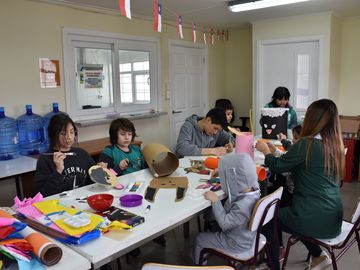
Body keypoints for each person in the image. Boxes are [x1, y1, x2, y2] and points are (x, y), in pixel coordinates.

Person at [256, 99, 345, 270]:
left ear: (313, 120)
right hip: (333, 219)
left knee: (266, 217)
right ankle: (318, 255)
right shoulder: (335, 145)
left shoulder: (307, 144)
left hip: (314, 218)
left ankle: (271, 265)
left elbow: (276, 166)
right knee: (287, 205)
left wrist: (266, 152)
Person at [193, 153, 261, 265]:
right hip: (248, 236)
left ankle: (198, 265)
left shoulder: (243, 205)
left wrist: (215, 201)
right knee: (213, 226)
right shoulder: (255, 190)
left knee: (200, 238)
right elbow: (240, 176)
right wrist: (222, 173)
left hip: (236, 242)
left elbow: (224, 223)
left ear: (234, 178)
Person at [35, 114, 95, 197]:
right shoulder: (45, 159)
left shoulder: (82, 154)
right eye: (63, 133)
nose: (69, 137)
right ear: (53, 135)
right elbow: (43, 195)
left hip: (82, 201)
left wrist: (101, 170)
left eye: (72, 132)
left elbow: (94, 182)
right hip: (59, 206)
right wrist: (58, 171)